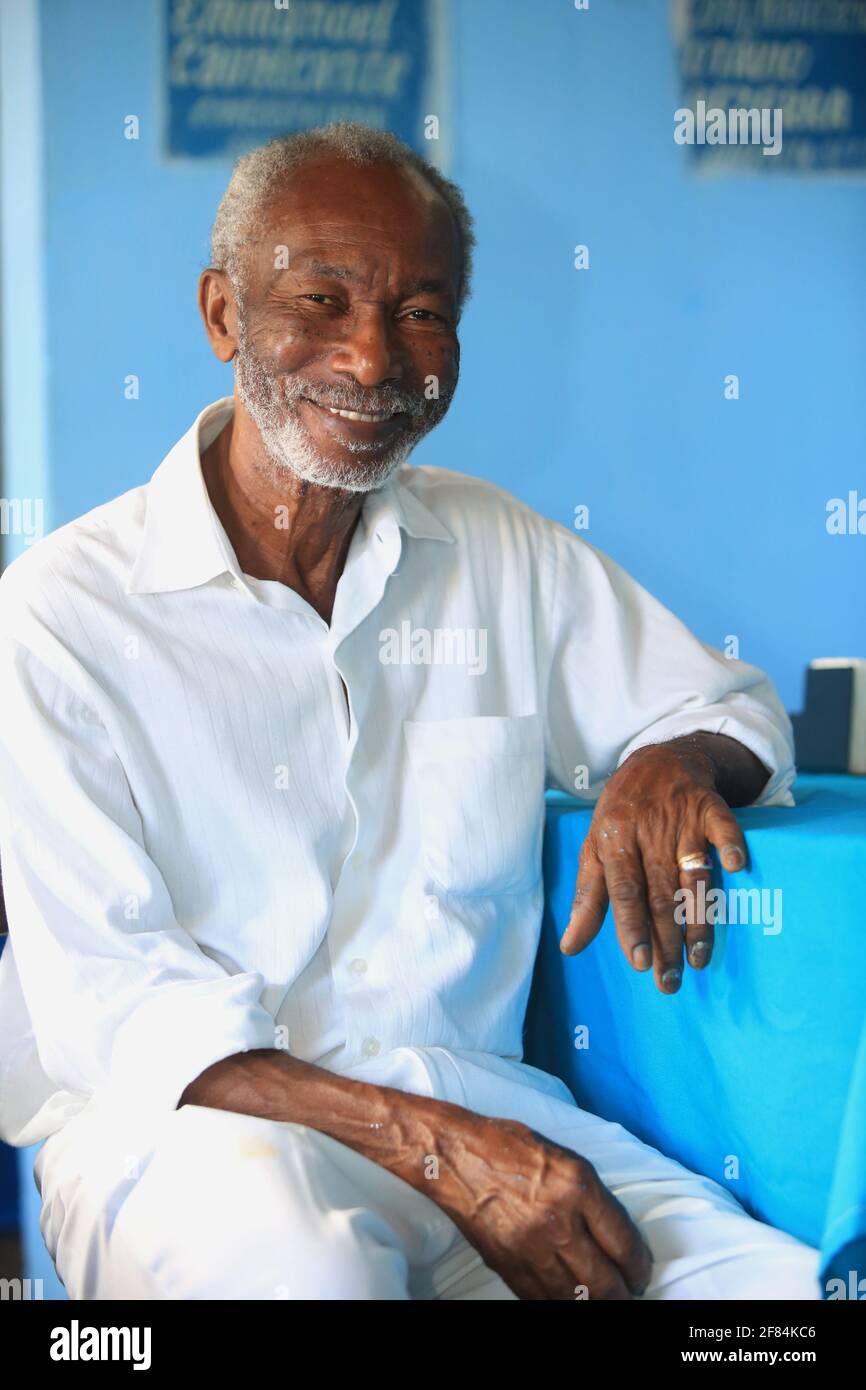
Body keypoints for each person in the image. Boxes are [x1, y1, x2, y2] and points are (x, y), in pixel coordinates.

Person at [0, 123, 819, 1300]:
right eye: (321, 300)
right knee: (301, 1271)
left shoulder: (496, 547)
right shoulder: (61, 617)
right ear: (223, 316)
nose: (376, 358)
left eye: (423, 311)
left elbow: (730, 708)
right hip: (191, 1145)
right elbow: (116, 1017)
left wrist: (670, 758)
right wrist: (435, 1152)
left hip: (498, 1128)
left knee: (783, 1307)